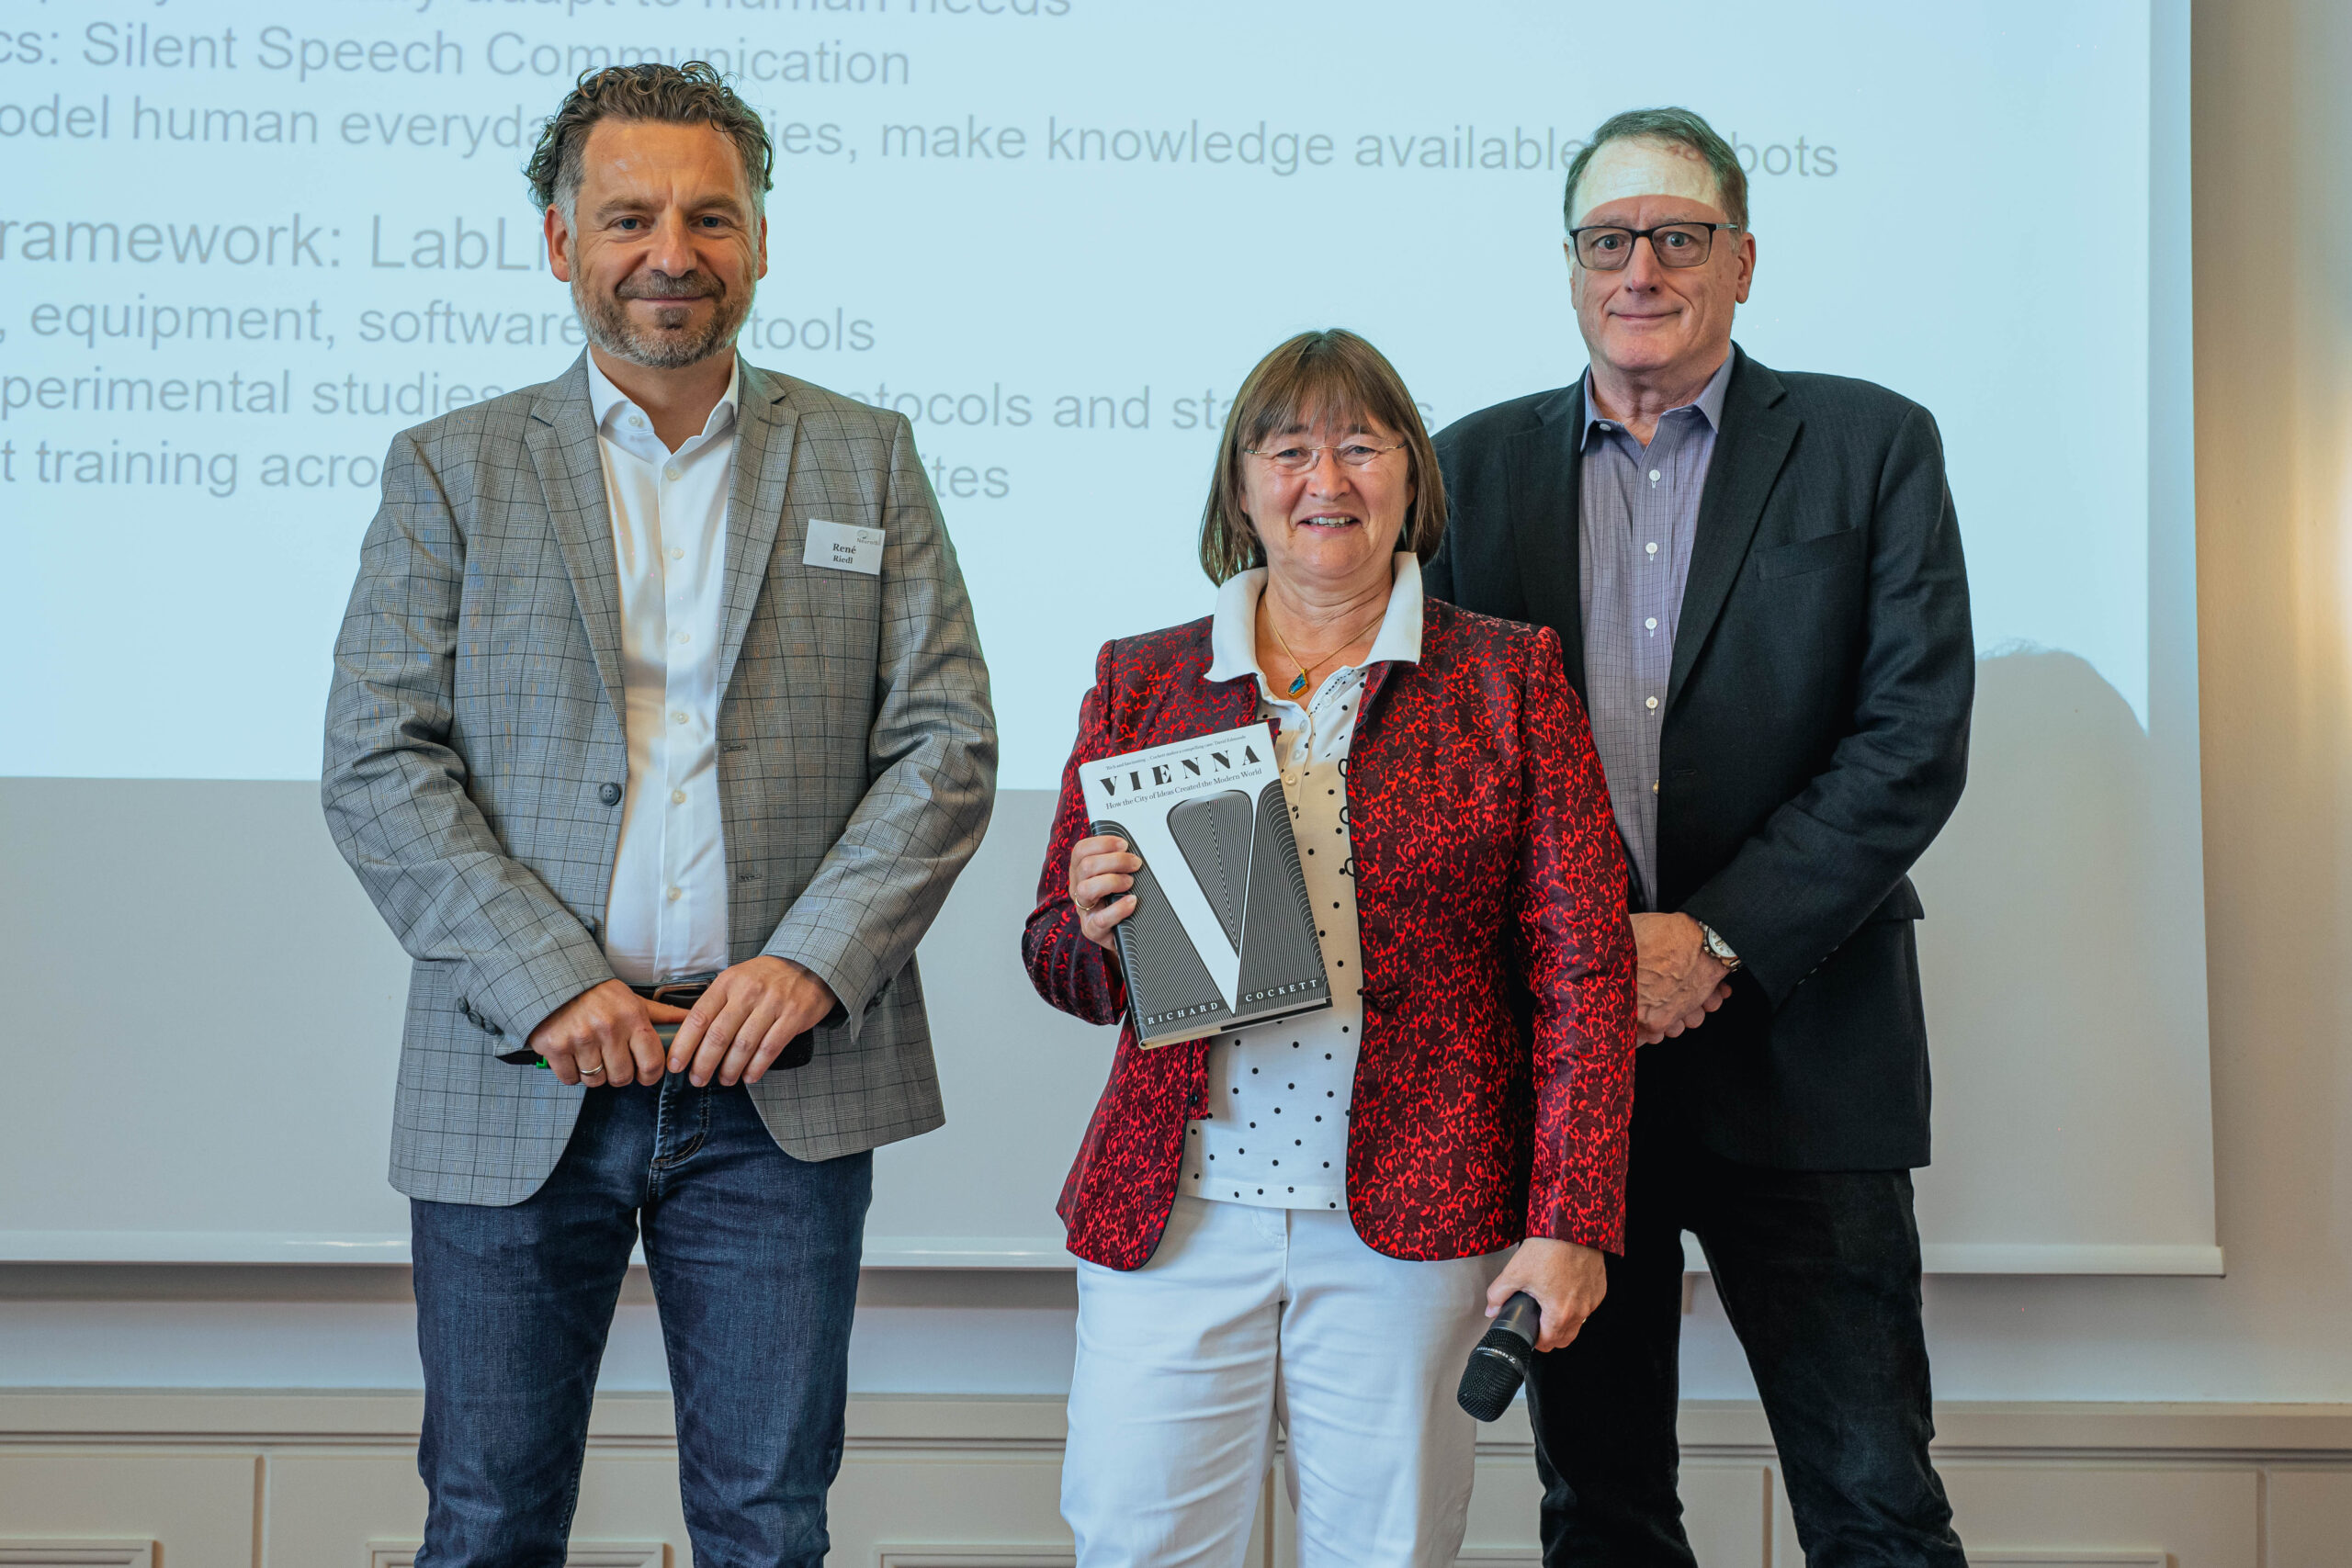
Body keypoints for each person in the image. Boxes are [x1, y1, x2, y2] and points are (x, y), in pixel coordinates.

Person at [321, 62, 996, 1568]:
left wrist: (812, 963)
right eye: (630, 217)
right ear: (561, 240)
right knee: (487, 1525)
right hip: (516, 1072)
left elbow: (946, 745)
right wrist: (548, 982)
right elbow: (376, 757)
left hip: (778, 1084)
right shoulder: (452, 469)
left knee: (768, 1529)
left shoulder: (866, 456)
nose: (671, 253)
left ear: (761, 239)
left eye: (711, 216)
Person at [1427, 107, 1975, 1565]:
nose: (1643, 269)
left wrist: (1714, 941)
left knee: (1874, 1505)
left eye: (1679, 235)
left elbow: (1912, 741)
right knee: (1601, 1514)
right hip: (1571, 1085)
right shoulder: (1466, 471)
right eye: (1610, 239)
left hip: (1808, 1055)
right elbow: (1434, 769)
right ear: (1570, 266)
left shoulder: (1870, 445)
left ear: (1742, 259)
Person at [1023, 329, 1637, 1566]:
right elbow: (1061, 959)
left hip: (1412, 1223)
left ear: (1412, 475)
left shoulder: (1506, 678)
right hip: (1176, 1216)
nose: (1327, 479)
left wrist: (1572, 1213)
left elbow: (1585, 972)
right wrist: (1089, 925)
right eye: (1290, 449)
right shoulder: (1146, 679)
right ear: (1240, 487)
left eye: (1362, 445)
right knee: (1136, 1549)